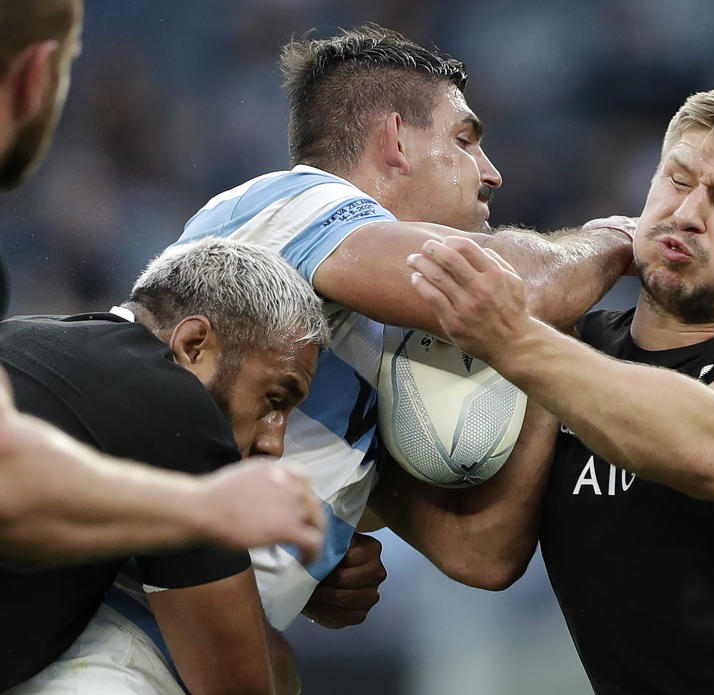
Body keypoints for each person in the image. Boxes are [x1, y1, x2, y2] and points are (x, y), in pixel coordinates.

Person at [393, 84, 714, 694]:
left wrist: (513, 339)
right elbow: (481, 554)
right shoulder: (571, 352)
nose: (688, 212)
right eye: (677, 180)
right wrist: (341, 522)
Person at [174, 22, 637, 632]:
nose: (491, 173)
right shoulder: (289, 203)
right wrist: (620, 238)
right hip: (115, 620)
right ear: (395, 140)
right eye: (465, 139)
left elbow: (477, 551)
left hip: (195, 640)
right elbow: (523, 287)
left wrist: (548, 352)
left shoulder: (370, 352)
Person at [0, 0, 326, 562]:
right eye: (70, 69)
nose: (274, 441)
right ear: (35, 76)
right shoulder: (169, 404)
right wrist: (210, 508)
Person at [1, 236, 329, 694]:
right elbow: (236, 685)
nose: (274, 441)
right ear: (194, 346)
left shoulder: (18, 333)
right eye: (274, 399)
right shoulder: (179, 407)